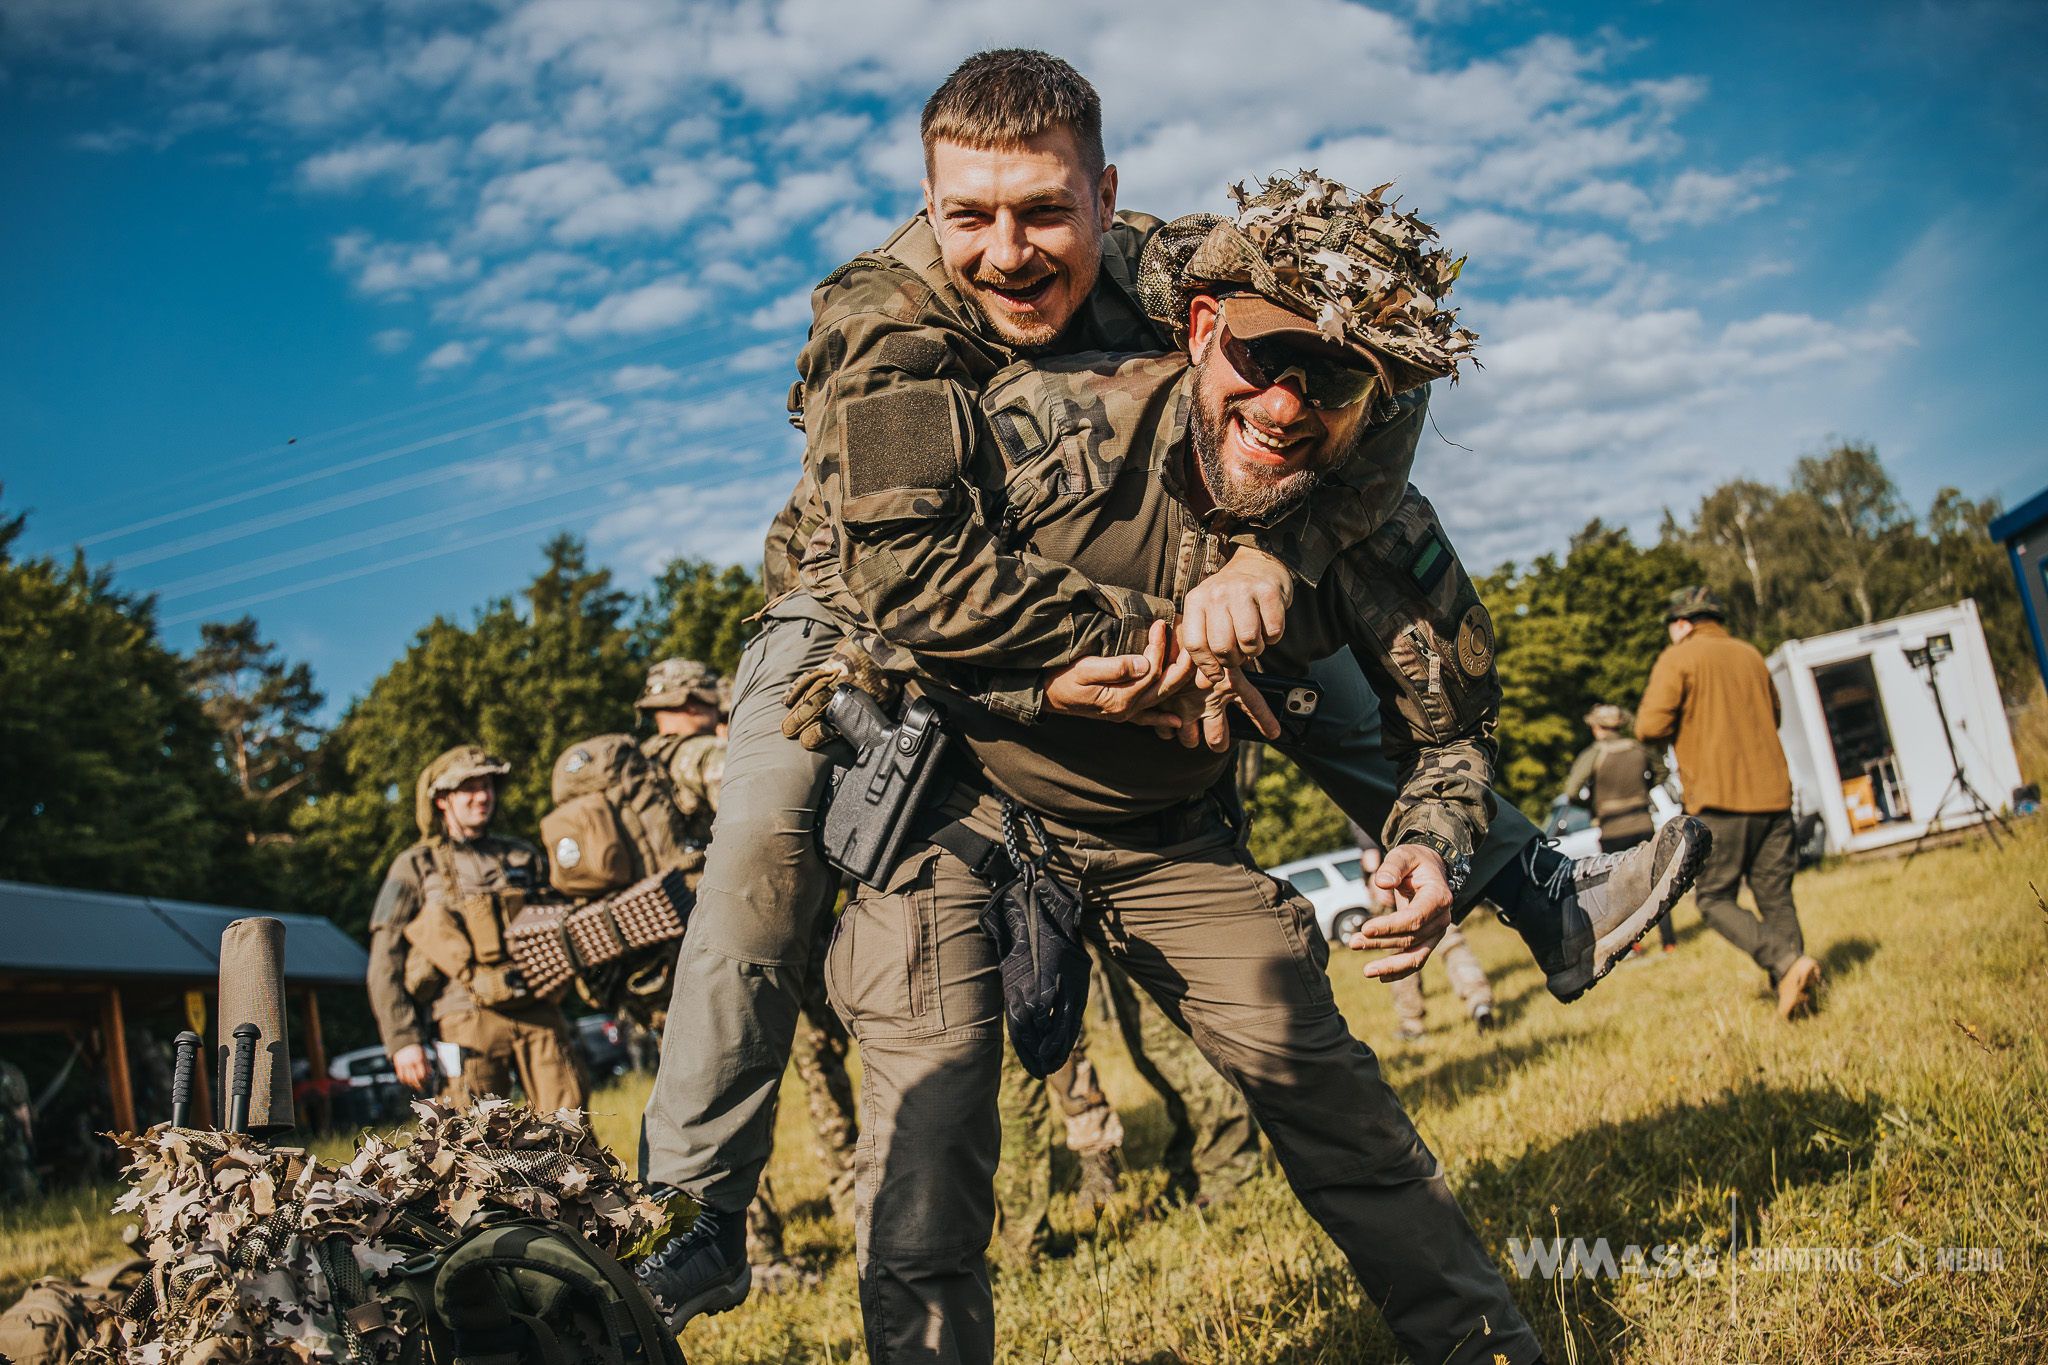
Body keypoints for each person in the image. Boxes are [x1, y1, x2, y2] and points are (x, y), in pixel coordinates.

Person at [636, 49, 1698, 1329]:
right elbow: (914, 575)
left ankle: (1530, 895)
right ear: (927, 207)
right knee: (769, 848)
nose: (1010, 251)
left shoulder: (1207, 296)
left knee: (1326, 729)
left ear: (1106, 202)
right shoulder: (902, 334)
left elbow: (1376, 362)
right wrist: (1171, 640)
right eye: (969, 216)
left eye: (1045, 213)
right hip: (872, 609)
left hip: (1150, 808)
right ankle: (693, 1205)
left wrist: (1269, 556)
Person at [804, 168, 1629, 1365]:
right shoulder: (1045, 422)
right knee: (927, 1162)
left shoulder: (1372, 534)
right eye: (1262, 360)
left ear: (1373, 408)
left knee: (1335, 1101)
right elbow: (885, 597)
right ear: (1200, 331)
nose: (1287, 404)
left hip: (1164, 841)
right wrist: (1064, 674)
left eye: (1333, 379)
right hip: (961, 812)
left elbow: (1447, 737)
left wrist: (1426, 844)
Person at [365, 746, 588, 1111]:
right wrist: (403, 1039)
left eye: (488, 786)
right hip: (463, 1019)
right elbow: (384, 958)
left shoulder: (523, 856)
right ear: (441, 799)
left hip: (538, 1011)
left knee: (571, 1127)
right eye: (469, 788)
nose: (483, 796)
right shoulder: (414, 866)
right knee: (474, 1145)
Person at [1637, 588, 1820, 1018]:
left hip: (1721, 800)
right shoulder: (1751, 655)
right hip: (1775, 798)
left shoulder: (1680, 657)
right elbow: (1773, 716)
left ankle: (1789, 964)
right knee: (1776, 897)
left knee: (1714, 899)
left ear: (1681, 623)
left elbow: (1649, 725)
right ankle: (1798, 994)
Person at [1350, 823, 1494, 1041]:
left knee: (1401, 952)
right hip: (1427, 867)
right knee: (1451, 940)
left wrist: (1373, 874)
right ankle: (1479, 1000)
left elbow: (1366, 834)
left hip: (1394, 875)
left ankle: (1412, 1025)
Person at [1564, 703, 1677, 952]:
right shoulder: (1638, 748)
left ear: (1597, 728)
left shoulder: (1593, 753)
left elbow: (1572, 790)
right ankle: (1669, 942)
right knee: (1655, 881)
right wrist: (1642, 791)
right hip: (1642, 822)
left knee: (1620, 888)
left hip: (1612, 829)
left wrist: (1591, 804)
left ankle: (1632, 944)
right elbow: (1662, 772)